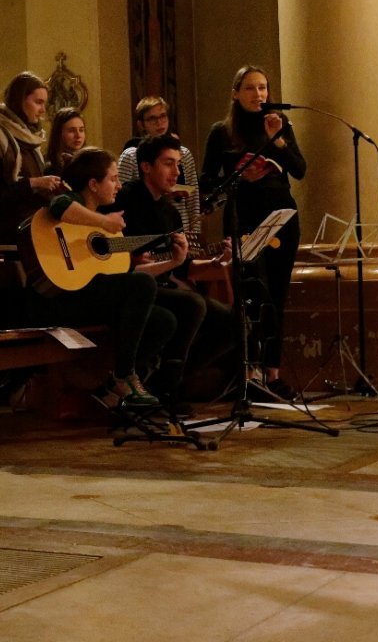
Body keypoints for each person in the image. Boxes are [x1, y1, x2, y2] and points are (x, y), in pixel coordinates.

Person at [26, 147, 176, 408]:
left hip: (89, 295)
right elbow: (57, 205)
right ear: (93, 184)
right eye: (113, 178)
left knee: (164, 320)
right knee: (143, 287)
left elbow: (126, 273)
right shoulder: (76, 204)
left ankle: (107, 384)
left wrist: (174, 260)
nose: (118, 185)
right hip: (60, 298)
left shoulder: (104, 225)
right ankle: (124, 376)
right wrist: (104, 223)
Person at [199, 64, 306, 400]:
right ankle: (249, 373)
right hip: (244, 219)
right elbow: (206, 182)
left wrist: (280, 142)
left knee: (276, 296)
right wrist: (240, 177)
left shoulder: (279, 124)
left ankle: (273, 374)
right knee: (251, 297)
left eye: (263, 88)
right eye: (250, 88)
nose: (258, 95)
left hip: (282, 219)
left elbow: (299, 169)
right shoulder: (222, 131)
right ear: (235, 92)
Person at [117, 134, 234, 413]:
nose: (177, 172)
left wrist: (217, 260)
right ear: (146, 166)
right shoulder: (126, 199)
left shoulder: (170, 210)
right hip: (135, 288)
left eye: (178, 164)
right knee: (191, 304)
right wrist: (132, 256)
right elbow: (115, 250)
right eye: (168, 164)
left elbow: (183, 266)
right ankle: (169, 388)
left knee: (234, 323)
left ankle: (164, 381)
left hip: (163, 283)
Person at [0, 72, 60, 244]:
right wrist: (34, 183)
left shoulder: (31, 138)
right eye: (38, 102)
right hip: (12, 233)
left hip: (36, 228)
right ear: (19, 100)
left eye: (44, 103)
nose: (43, 110)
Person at [117, 97, 200, 233]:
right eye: (152, 119)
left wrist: (195, 232)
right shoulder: (131, 154)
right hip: (142, 224)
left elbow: (194, 200)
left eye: (163, 116)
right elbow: (121, 193)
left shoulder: (183, 153)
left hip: (176, 223)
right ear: (141, 125)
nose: (159, 123)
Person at [44, 107, 88, 176]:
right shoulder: (51, 168)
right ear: (58, 133)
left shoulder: (89, 162)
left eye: (81, 130)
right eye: (71, 131)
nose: (78, 135)